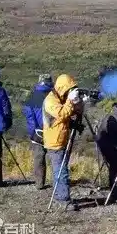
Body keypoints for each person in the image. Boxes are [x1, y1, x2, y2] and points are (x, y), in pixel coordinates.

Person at [43, 74, 82, 210]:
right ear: (62, 88)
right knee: (61, 171)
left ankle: (59, 195)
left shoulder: (60, 98)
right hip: (54, 141)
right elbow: (62, 114)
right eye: (68, 90)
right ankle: (63, 200)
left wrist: (78, 102)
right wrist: (70, 101)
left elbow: (71, 114)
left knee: (59, 170)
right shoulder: (50, 100)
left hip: (61, 138)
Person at [22, 74, 53, 189]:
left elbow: (29, 116)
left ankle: (39, 183)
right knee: (54, 157)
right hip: (53, 131)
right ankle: (57, 183)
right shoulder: (55, 96)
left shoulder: (33, 97)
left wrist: (32, 133)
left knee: (38, 158)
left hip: (38, 132)